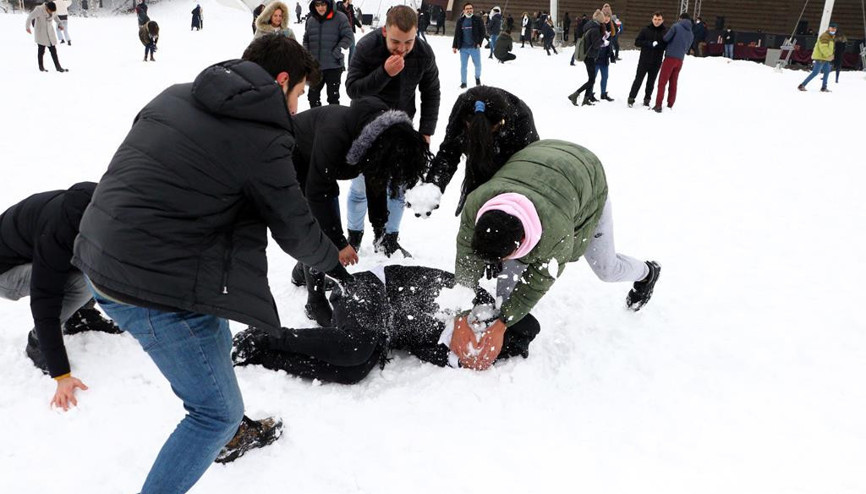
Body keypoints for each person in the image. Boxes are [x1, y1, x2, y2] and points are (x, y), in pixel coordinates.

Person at [72, 35, 349, 494]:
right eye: (299, 94)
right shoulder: (264, 138)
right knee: (211, 413)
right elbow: (295, 228)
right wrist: (333, 263)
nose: (298, 108)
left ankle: (234, 430)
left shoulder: (174, 94)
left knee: (214, 319)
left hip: (100, 253)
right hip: (145, 287)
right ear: (281, 81)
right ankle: (224, 428)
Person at [450, 139, 661, 370]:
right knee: (506, 293)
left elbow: (535, 284)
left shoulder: (556, 235)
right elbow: (467, 259)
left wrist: (502, 324)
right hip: (540, 161)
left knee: (606, 269)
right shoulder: (477, 204)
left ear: (522, 241)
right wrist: (462, 314)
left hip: (587, 179)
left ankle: (647, 273)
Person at [232, 265, 541, 382]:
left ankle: (263, 356)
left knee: (355, 370)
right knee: (358, 346)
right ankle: (268, 337)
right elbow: (414, 291)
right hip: (370, 288)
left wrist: (455, 358)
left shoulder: (458, 344)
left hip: (383, 327)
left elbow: (420, 345)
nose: (476, 348)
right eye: (485, 341)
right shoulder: (464, 296)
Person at [288, 98, 432, 325]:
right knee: (320, 230)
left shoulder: (382, 135)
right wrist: (339, 241)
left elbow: (376, 178)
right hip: (294, 156)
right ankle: (315, 301)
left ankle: (302, 272)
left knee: (326, 226)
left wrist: (379, 225)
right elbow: (318, 194)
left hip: (320, 163)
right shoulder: (335, 137)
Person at [0, 182, 120, 411]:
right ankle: (38, 343)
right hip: (5, 272)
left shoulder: (102, 205)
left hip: (29, 247)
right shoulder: (58, 234)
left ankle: (80, 317)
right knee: (81, 281)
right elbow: (45, 298)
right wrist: (61, 374)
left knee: (94, 261)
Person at [345, 5, 441, 256]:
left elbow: (431, 91)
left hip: (402, 130)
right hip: (366, 130)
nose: (402, 48)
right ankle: (353, 237)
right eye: (396, 41)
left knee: (397, 188)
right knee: (360, 188)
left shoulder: (422, 52)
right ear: (384, 30)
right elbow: (353, 89)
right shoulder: (367, 47)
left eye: (408, 42)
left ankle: (388, 238)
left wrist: (426, 130)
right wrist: (384, 73)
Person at [408, 86, 538, 218]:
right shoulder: (463, 107)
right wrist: (434, 186)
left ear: (501, 123)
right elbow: (449, 152)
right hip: (477, 174)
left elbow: (528, 166)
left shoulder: (520, 117)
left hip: (514, 182)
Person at [303, 0, 353, 107]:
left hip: (333, 66)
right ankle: (316, 121)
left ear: (329, 3)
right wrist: (307, 54)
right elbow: (306, 39)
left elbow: (349, 37)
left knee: (333, 98)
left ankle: (333, 122)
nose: (320, 8)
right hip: (315, 68)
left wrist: (337, 50)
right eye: (317, 5)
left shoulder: (340, 18)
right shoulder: (311, 20)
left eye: (323, 4)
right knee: (313, 98)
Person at [652, 12, 693, 113]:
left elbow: (666, 38)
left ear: (680, 18)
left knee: (662, 82)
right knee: (673, 82)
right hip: (680, 60)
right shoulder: (691, 33)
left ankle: (658, 105)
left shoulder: (676, 26)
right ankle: (670, 104)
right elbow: (687, 48)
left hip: (670, 58)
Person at [566, 9, 605, 107]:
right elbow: (596, 44)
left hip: (587, 55)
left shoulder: (589, 26)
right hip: (590, 56)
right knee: (591, 80)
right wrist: (603, 42)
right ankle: (575, 95)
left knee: (591, 79)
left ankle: (586, 99)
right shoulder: (595, 29)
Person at [628, 11, 666, 108]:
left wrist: (659, 45)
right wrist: (649, 44)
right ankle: (631, 98)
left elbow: (666, 45)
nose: (657, 21)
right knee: (638, 80)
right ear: (652, 19)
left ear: (662, 20)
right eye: (655, 19)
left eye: (659, 20)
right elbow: (637, 42)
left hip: (656, 62)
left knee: (651, 82)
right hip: (644, 60)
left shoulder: (665, 32)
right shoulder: (645, 30)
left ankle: (647, 100)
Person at [25, 2, 68, 73]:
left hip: (50, 33)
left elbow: (56, 17)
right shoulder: (39, 10)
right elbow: (30, 17)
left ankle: (58, 67)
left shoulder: (53, 10)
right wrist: (27, 27)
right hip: (41, 33)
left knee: (53, 51)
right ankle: (41, 67)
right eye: (50, 11)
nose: (51, 12)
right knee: (41, 51)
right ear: (47, 8)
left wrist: (60, 24)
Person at [453, 2, 484, 89]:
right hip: (463, 48)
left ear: (472, 10)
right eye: (467, 9)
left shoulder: (477, 19)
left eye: (470, 8)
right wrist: (454, 46)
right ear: (464, 10)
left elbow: (482, 32)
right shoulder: (460, 21)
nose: (469, 10)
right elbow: (457, 34)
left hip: (475, 47)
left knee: (478, 66)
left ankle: (477, 77)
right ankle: (464, 83)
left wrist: (479, 42)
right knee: (463, 66)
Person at [798, 23, 837, 92]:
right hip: (821, 58)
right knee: (815, 72)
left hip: (825, 58)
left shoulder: (831, 37)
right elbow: (823, 47)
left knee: (827, 71)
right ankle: (802, 85)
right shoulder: (825, 36)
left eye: (834, 28)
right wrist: (829, 55)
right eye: (832, 28)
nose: (833, 29)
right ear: (829, 28)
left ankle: (824, 87)